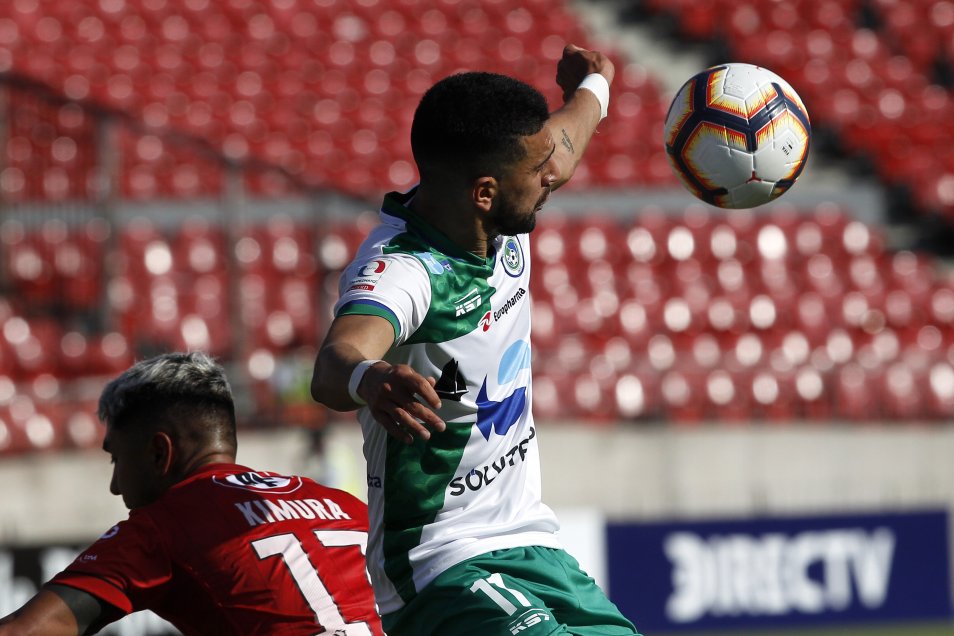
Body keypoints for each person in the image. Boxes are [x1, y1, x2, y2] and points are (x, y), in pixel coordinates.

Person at [310, 45, 641, 636]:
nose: (553, 177)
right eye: (538, 171)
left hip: (534, 546)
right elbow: (335, 363)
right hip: (440, 565)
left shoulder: (505, 200)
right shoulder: (405, 270)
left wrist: (594, 87)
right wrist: (370, 376)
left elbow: (562, 146)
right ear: (484, 193)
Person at [0, 351, 384, 636]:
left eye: (116, 459)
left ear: (159, 452)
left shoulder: (165, 524)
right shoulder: (344, 504)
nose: (115, 485)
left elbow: (28, 630)